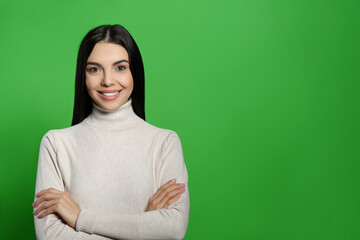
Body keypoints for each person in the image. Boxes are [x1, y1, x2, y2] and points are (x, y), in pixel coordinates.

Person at [32, 24, 190, 240]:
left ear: (135, 71)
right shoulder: (56, 144)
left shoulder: (164, 142)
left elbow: (173, 229)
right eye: (94, 69)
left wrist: (80, 218)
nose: (107, 81)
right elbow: (50, 236)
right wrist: (145, 228)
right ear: (83, 75)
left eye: (120, 67)